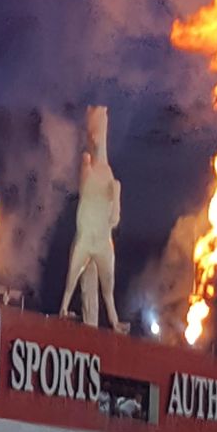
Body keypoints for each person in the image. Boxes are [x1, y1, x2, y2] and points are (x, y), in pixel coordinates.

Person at [59, 106, 127, 332]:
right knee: (74, 276)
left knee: (108, 286)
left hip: (100, 240)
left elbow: (113, 205)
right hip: (87, 237)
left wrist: (116, 199)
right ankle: (64, 309)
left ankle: (114, 321)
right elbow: (87, 187)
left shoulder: (107, 174)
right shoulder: (88, 168)